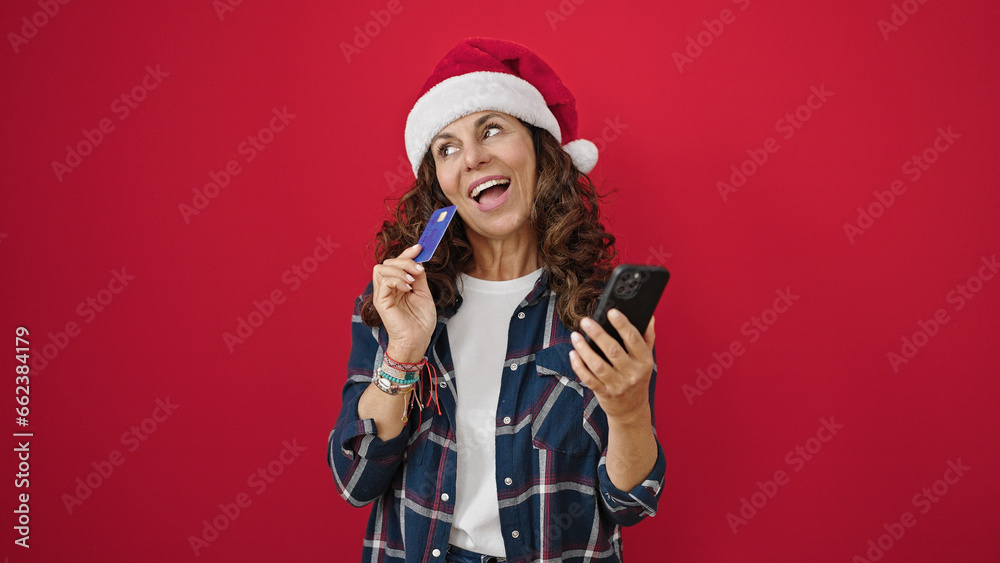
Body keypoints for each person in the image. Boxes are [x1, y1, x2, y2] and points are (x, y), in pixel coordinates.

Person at [328, 37, 665, 563]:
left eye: (491, 129)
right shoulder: (397, 300)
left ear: (539, 152)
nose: (473, 157)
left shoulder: (595, 308)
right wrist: (402, 354)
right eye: (447, 147)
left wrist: (626, 413)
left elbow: (630, 502)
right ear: (439, 185)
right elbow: (355, 480)